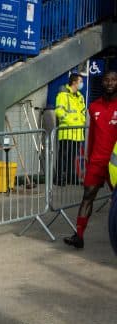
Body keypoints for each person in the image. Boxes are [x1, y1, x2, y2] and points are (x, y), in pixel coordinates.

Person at [65, 70, 117, 249]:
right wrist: (87, 158)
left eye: (113, 80)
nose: (110, 83)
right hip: (96, 162)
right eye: (107, 80)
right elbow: (91, 136)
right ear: (102, 83)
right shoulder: (93, 107)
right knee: (87, 197)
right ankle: (78, 236)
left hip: (114, 164)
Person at [54, 72, 87, 186]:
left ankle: (70, 178)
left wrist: (81, 122)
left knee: (73, 157)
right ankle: (59, 178)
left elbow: (83, 112)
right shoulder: (63, 95)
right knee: (63, 156)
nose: (82, 84)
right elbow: (59, 111)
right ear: (74, 82)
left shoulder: (80, 97)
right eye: (81, 81)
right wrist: (72, 122)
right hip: (67, 132)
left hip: (77, 132)